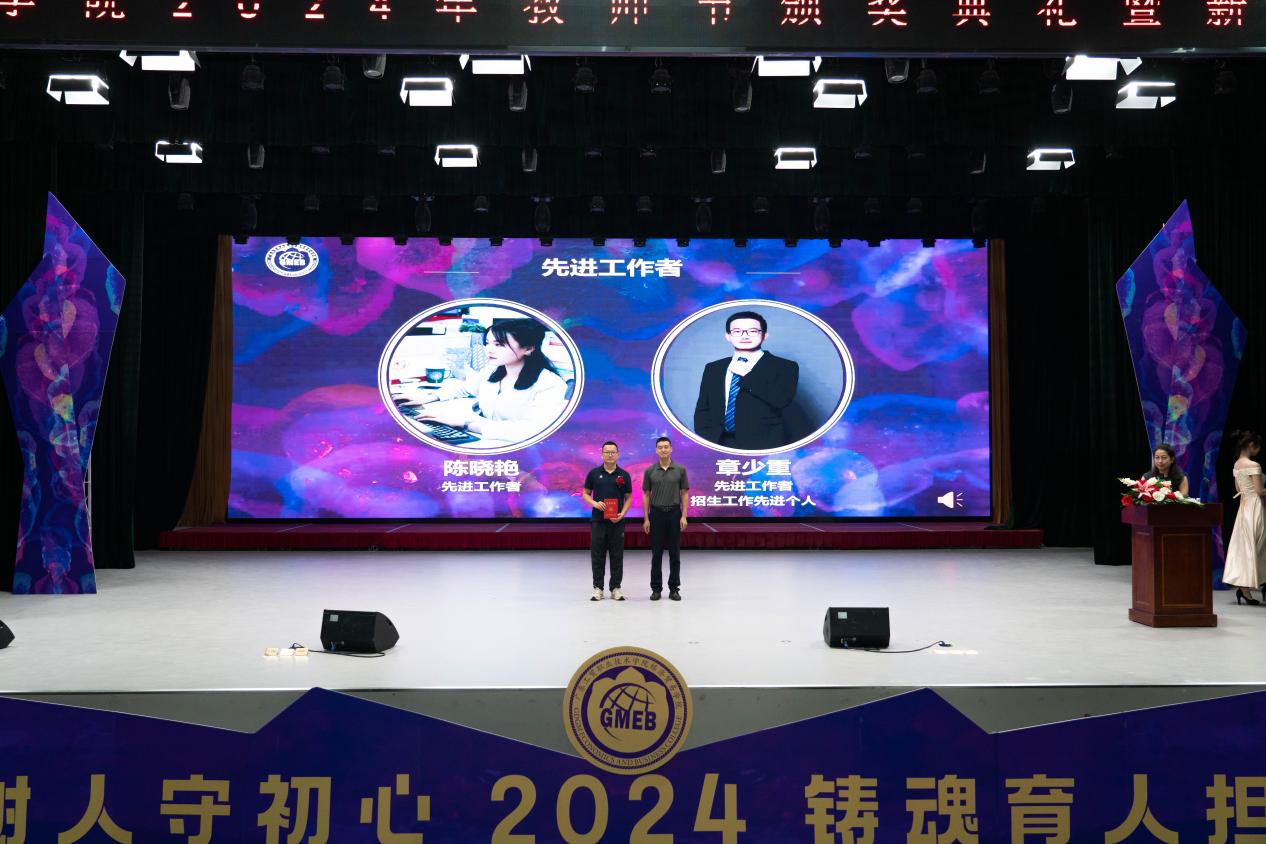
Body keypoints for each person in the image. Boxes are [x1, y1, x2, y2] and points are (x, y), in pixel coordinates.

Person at [415, 318, 568, 443]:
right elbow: (465, 388)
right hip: (486, 441)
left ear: (528, 348)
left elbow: (530, 431)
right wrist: (427, 397)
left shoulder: (550, 384)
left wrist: (466, 424)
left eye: (498, 344)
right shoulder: (492, 370)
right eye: (487, 343)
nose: (489, 349)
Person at [693, 311, 800, 451]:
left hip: (763, 444)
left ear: (764, 335)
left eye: (752, 331)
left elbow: (781, 400)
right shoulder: (713, 368)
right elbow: (703, 408)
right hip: (718, 442)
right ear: (728, 336)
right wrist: (707, 436)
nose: (744, 336)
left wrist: (748, 375)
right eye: (737, 331)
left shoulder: (785, 366)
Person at [582, 441, 632, 602]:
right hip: (598, 521)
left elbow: (629, 497)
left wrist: (622, 514)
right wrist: (595, 504)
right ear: (602, 454)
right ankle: (598, 588)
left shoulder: (624, 475)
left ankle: (615, 588)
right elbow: (585, 494)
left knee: (617, 556)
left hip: (617, 522)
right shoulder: (594, 473)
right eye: (607, 452)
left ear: (618, 454)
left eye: (613, 452)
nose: (610, 454)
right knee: (597, 555)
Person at [642, 436, 689, 601]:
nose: (663, 450)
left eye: (666, 447)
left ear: (671, 449)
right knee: (656, 554)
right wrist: (646, 518)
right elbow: (646, 495)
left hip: (674, 514)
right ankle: (656, 589)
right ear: (656, 450)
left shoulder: (680, 469)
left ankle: (674, 588)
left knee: (675, 553)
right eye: (660, 447)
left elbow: (684, 493)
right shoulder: (650, 471)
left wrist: (684, 516)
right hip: (656, 514)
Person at [1222, 430, 1266, 605]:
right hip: (1256, 506)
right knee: (1258, 546)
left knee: (1246, 547)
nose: (1258, 451)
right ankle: (1252, 586)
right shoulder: (1253, 465)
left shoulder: (1237, 465)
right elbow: (1260, 491)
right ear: (1251, 445)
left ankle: (1245, 589)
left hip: (1244, 508)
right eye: (1258, 447)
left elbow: (1238, 489)